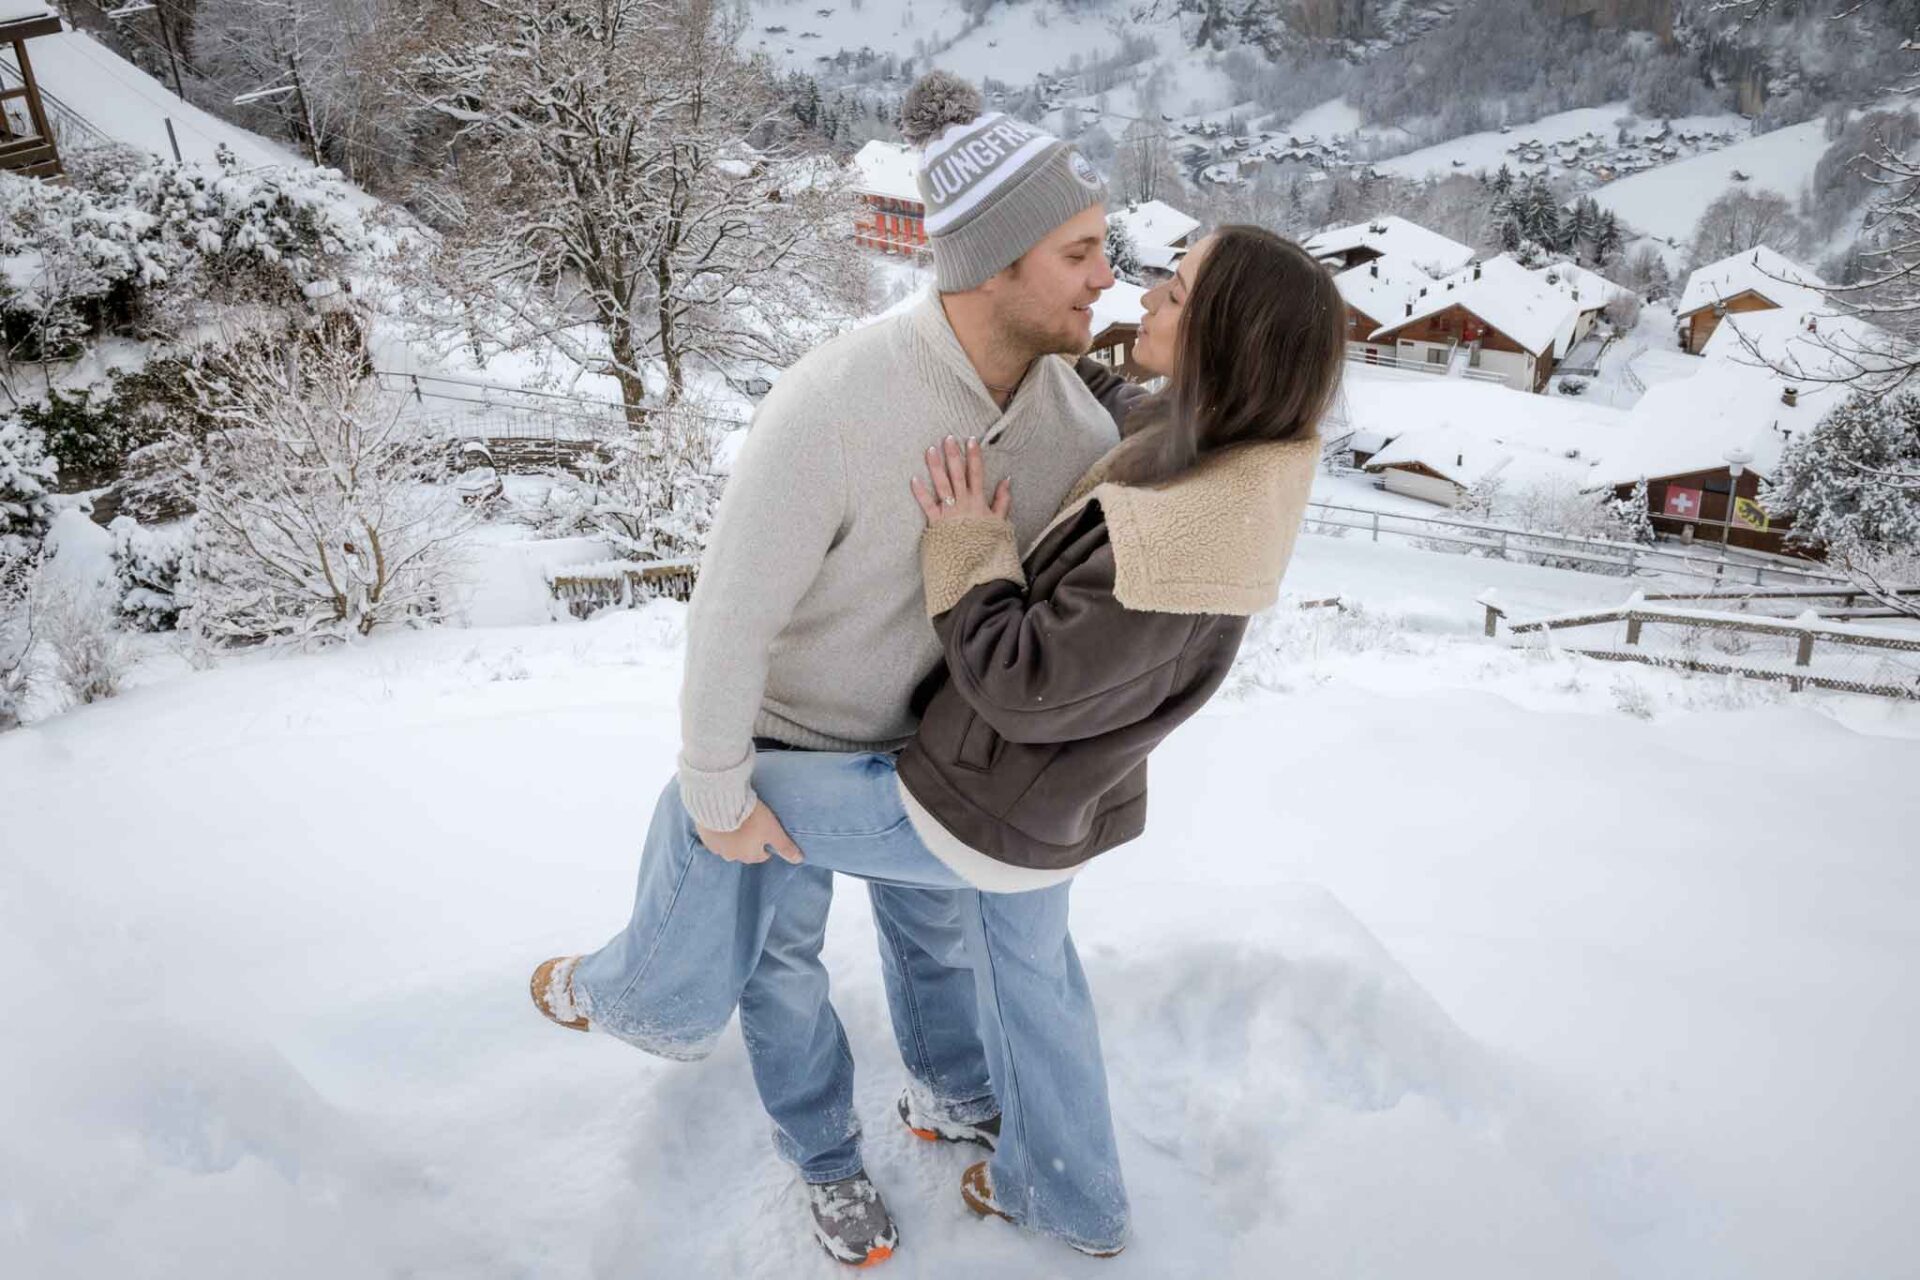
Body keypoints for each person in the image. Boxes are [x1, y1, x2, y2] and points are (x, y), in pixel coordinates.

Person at [537, 212, 1347, 1264]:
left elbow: (1023, 679)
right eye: (1091, 257)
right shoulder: (1227, 453)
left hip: (981, 796)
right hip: (1054, 798)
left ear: (1226, 339)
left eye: (1177, 290)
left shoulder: (1181, 538)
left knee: (722, 809)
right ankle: (1039, 1166)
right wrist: (1017, 353)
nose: (1137, 289)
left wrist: (968, 539)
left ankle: (635, 996)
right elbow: (1113, 406)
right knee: (1029, 983)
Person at [531, 71, 1127, 1266]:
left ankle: (951, 1089)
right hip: (790, 743)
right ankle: (823, 1153)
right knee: (782, 967)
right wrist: (716, 784)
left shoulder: (1076, 432)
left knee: (936, 938)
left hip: (928, 752)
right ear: (994, 263)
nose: (1106, 275)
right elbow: (730, 611)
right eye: (1080, 252)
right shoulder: (838, 402)